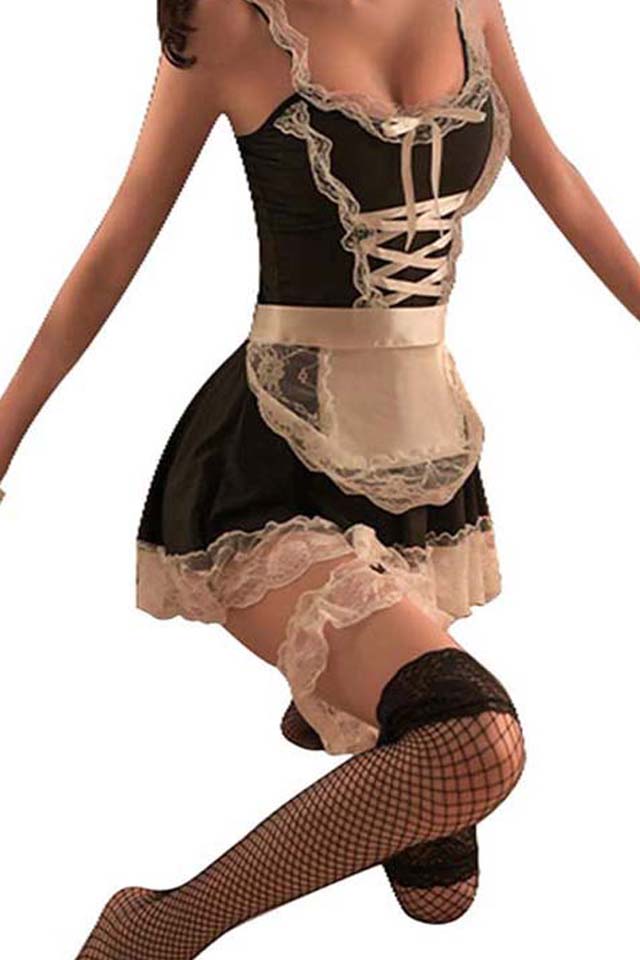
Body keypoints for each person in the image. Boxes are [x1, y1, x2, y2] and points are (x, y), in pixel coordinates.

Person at [0, 1, 637, 956]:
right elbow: (115, 248)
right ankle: (156, 930)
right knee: (471, 742)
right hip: (266, 462)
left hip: (425, 468)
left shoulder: (470, 5)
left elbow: (566, 186)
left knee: (441, 896)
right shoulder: (229, 20)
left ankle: (336, 700)